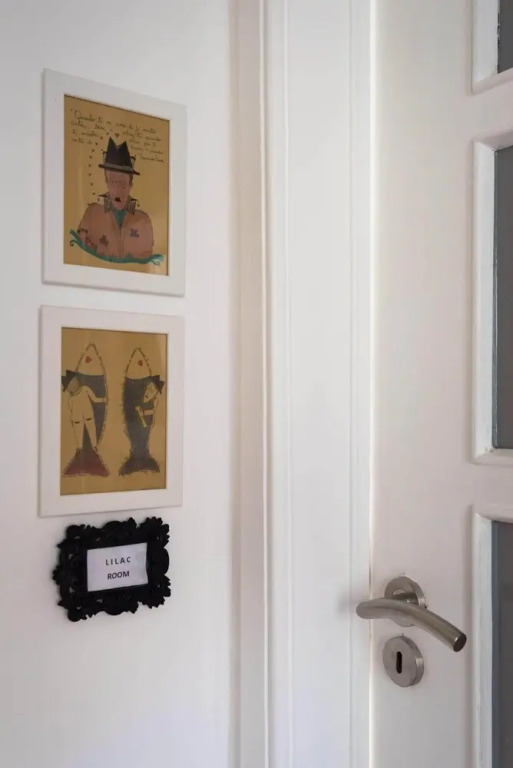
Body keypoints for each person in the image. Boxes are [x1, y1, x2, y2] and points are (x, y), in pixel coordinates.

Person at [75, 138, 154, 261]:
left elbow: (148, 262)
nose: (118, 190)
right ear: (106, 182)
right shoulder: (91, 214)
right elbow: (79, 252)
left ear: (130, 185)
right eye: (113, 182)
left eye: (122, 183)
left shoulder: (143, 221)